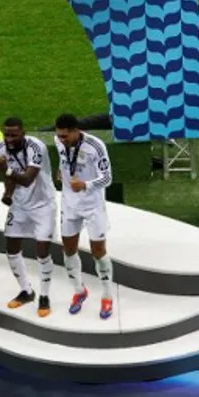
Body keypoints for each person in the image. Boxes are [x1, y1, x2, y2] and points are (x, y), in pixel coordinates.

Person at [54, 113, 115, 320]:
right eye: (59, 136)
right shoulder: (59, 141)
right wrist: (60, 171)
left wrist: (86, 185)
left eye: (65, 136)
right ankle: (79, 291)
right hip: (69, 204)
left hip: (92, 205)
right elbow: (64, 161)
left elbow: (107, 178)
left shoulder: (95, 147)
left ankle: (107, 295)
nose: (61, 140)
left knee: (98, 251)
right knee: (68, 249)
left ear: (75, 131)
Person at [0, 118, 56, 317]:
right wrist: (8, 193)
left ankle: (44, 296)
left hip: (42, 204)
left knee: (42, 251)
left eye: (14, 135)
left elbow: (28, 179)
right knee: (11, 247)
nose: (9, 139)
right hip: (20, 205)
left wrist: (7, 170)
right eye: (6, 134)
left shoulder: (36, 147)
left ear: (24, 132)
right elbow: (11, 176)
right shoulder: (0, 148)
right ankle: (26, 291)